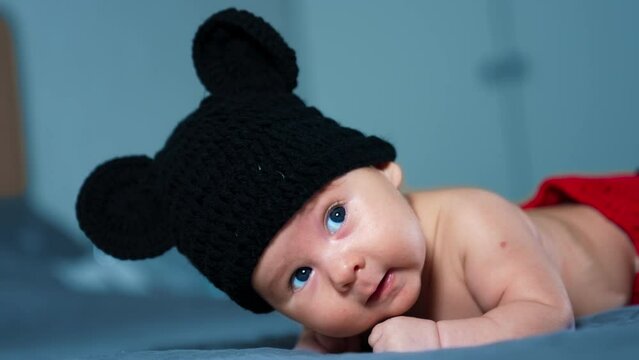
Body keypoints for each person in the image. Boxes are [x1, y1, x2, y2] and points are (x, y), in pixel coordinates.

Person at [75, 8, 639, 353]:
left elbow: (549, 315)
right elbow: (321, 339)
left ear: (382, 170)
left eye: (336, 217)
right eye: (298, 277)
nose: (341, 271)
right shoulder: (352, 300)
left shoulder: (474, 220)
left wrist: (441, 339)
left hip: (622, 225)